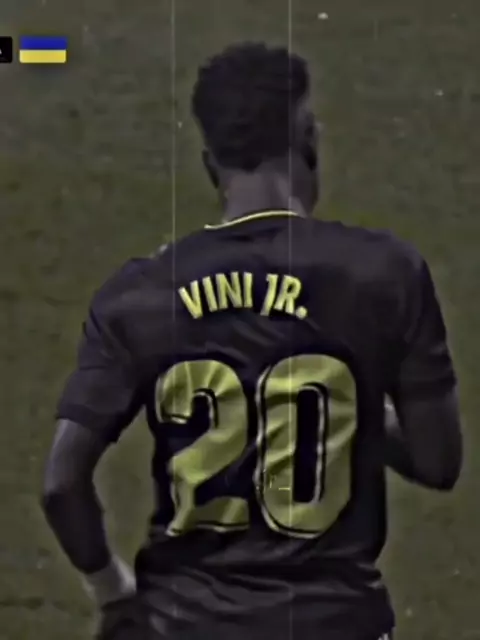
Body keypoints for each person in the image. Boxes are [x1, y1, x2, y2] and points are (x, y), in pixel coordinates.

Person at [41, 42, 463, 640]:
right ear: (309, 139)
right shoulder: (383, 274)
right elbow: (437, 461)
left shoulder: (141, 293)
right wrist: (343, 402)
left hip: (182, 624)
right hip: (336, 624)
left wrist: (112, 592)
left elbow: (62, 483)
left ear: (210, 164)